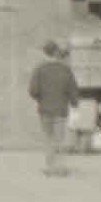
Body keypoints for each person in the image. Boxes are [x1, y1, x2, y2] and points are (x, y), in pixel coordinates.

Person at [29, 42, 79, 175]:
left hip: (45, 110)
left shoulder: (39, 70)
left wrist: (40, 99)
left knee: (48, 138)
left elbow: (33, 90)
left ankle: (50, 167)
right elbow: (73, 90)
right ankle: (60, 167)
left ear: (45, 53)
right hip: (61, 110)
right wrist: (74, 104)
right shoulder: (65, 70)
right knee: (59, 138)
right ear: (56, 53)